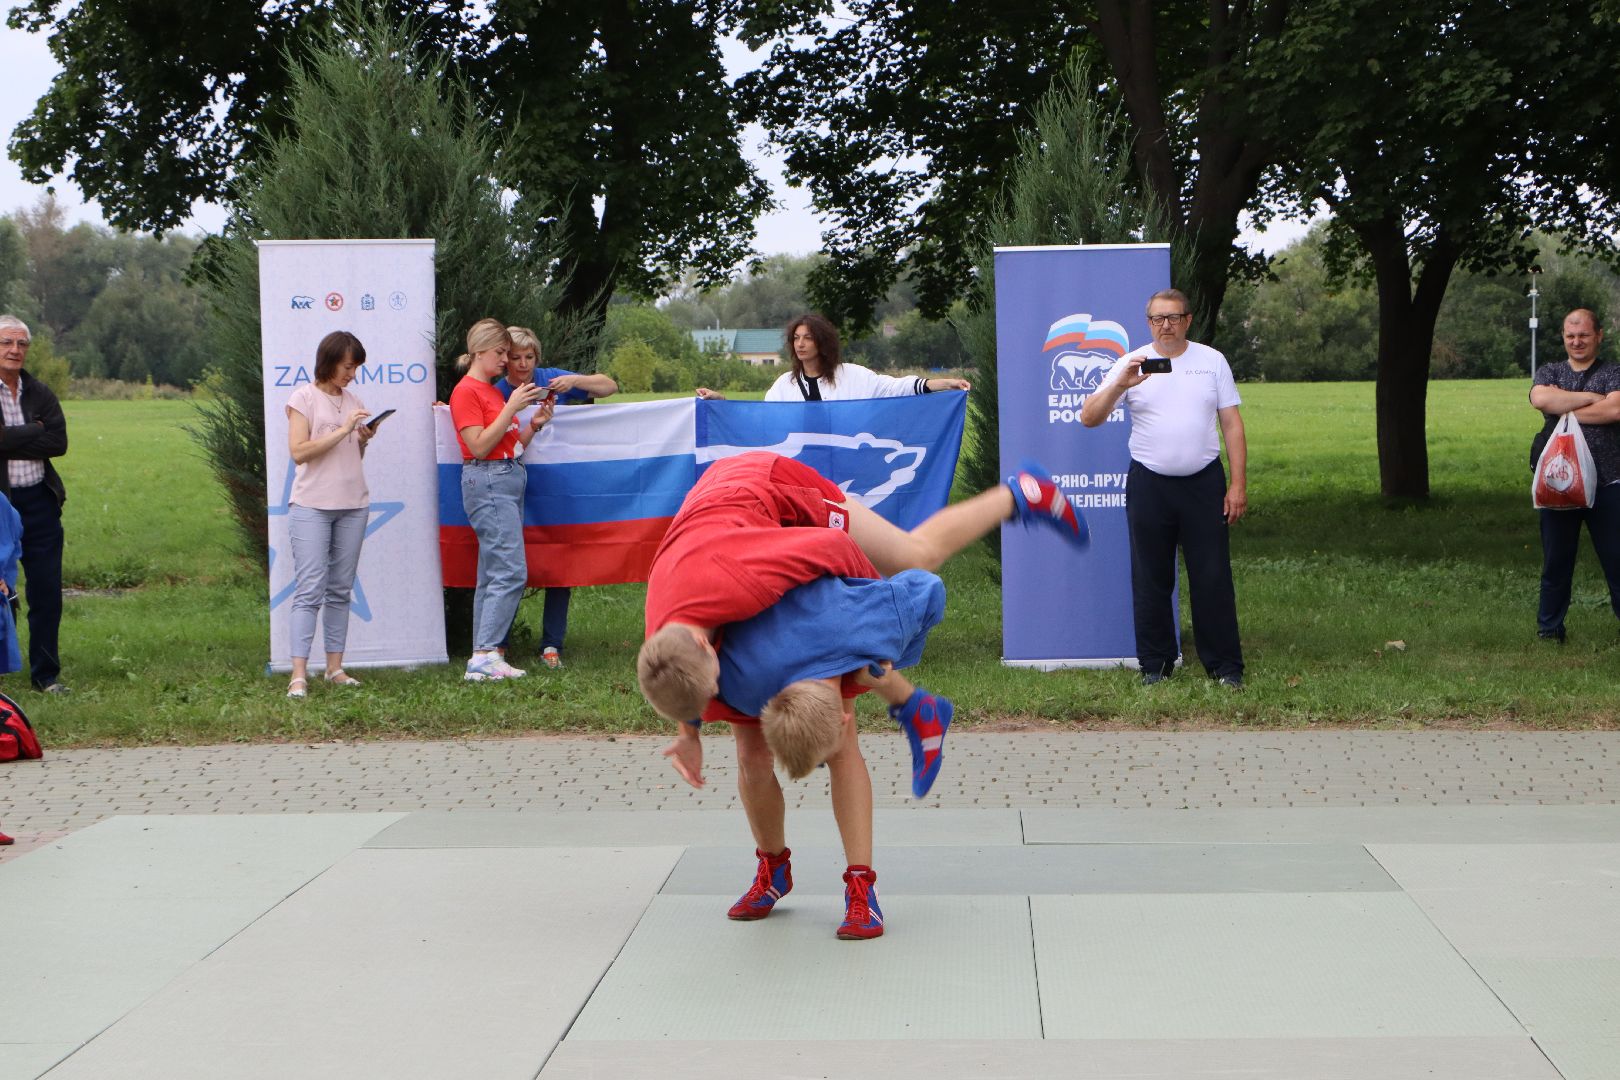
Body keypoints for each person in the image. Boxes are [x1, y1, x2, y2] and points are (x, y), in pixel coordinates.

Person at [637, 450, 1086, 726]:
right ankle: (916, 709)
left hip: (776, 486)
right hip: (723, 507)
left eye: (715, 677)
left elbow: (833, 547)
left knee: (914, 556)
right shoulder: (663, 638)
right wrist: (688, 732)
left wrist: (877, 618)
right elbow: (680, 674)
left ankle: (1022, 493)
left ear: (704, 642)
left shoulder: (742, 582)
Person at [660, 569, 953, 940]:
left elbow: (921, 584)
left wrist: (881, 648)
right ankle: (774, 870)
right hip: (753, 619)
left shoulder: (840, 630)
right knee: (752, 758)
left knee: (841, 748)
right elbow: (689, 645)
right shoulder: (736, 678)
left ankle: (861, 884)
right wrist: (688, 731)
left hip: (816, 609)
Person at [1079, 288, 1248, 688]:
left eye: (1173, 317)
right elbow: (1089, 417)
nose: (1165, 325)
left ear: (1188, 320)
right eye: (1158, 318)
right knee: (1150, 578)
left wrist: (1238, 485)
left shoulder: (1211, 361)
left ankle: (1225, 668)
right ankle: (1155, 666)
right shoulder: (1131, 363)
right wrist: (1119, 385)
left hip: (1204, 483)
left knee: (1212, 576)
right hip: (1150, 484)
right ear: (1149, 322)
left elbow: (1232, 424)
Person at [494, 325, 617, 669]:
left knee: (560, 562)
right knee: (509, 563)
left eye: (529, 357)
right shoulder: (498, 390)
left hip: (558, 485)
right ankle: (498, 643)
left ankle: (552, 645)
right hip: (515, 482)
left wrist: (576, 381)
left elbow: (609, 386)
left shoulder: (551, 378)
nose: (523, 364)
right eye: (515, 358)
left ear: (537, 357)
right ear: (504, 361)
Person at [449, 318, 554, 681]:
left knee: (492, 572)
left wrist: (534, 423)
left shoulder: (490, 391)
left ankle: (483, 655)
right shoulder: (467, 392)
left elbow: (510, 446)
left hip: (502, 477)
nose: (506, 360)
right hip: (489, 480)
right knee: (510, 570)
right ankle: (485, 654)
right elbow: (478, 446)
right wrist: (511, 408)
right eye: (500, 352)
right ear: (479, 351)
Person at [283, 331, 375, 699]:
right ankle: (298, 675)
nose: (352, 374)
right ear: (330, 361)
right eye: (347, 367)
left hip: (354, 504)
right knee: (309, 590)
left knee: (340, 589)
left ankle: (335, 668)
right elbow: (299, 452)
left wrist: (362, 439)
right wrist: (343, 430)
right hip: (311, 505)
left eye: (356, 368)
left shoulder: (353, 400)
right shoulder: (302, 398)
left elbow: (352, 456)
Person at [1528, 308, 1620, 642]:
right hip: (1558, 483)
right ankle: (1550, 629)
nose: (1577, 341)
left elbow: (1615, 409)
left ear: (1599, 336)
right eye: (1570, 335)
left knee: (1617, 559)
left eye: (1583, 335)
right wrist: (1592, 399)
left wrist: (1563, 407)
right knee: (1556, 561)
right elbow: (1540, 398)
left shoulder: (1614, 371)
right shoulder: (1550, 370)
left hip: (1609, 482)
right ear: (1563, 337)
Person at [0, 316, 69, 693]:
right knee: (2, 592)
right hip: (1, 507)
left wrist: (9, 439)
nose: (14, 350)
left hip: (39, 503)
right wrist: (34, 431)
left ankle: (46, 675)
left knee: (46, 592)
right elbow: (43, 436)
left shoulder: (40, 392)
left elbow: (58, 443)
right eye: (6, 343)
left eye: (21, 344)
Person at [695, 313, 972, 400]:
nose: (800, 344)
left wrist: (944, 383)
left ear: (822, 342)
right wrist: (721, 401)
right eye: (796, 338)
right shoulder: (784, 386)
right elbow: (760, 420)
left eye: (808, 337)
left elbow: (896, 387)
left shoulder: (853, 375)